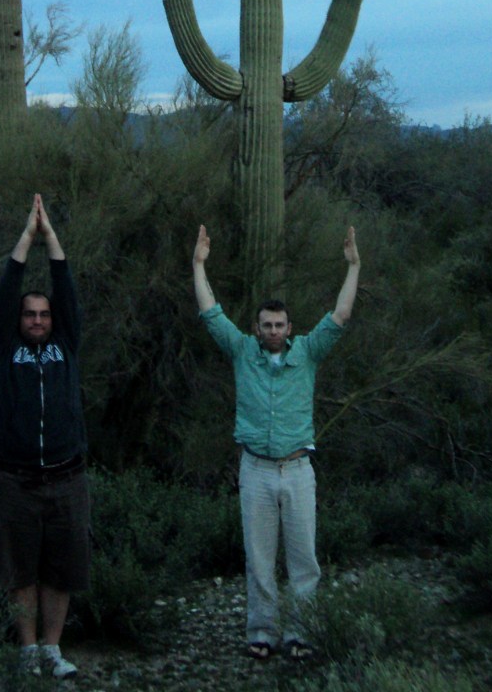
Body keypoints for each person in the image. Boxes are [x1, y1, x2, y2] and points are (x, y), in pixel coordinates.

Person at [192, 224, 361, 661]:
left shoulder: (307, 352)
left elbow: (340, 317)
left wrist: (353, 267)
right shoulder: (241, 350)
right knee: (260, 559)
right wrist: (199, 266)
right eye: (266, 324)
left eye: (279, 324)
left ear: (290, 327)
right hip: (256, 470)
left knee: (304, 560)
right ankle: (262, 632)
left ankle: (302, 633)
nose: (272, 330)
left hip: (298, 468)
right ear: (256, 326)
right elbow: (211, 314)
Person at [0, 194, 89, 680]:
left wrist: (52, 239)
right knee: (19, 569)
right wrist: (26, 237)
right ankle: (27, 650)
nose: (37, 321)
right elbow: (7, 292)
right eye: (30, 315)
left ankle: (52, 647)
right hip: (17, 478)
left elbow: (65, 290)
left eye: (43, 315)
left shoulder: (65, 345)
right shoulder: (4, 347)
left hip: (67, 475)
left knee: (62, 567)